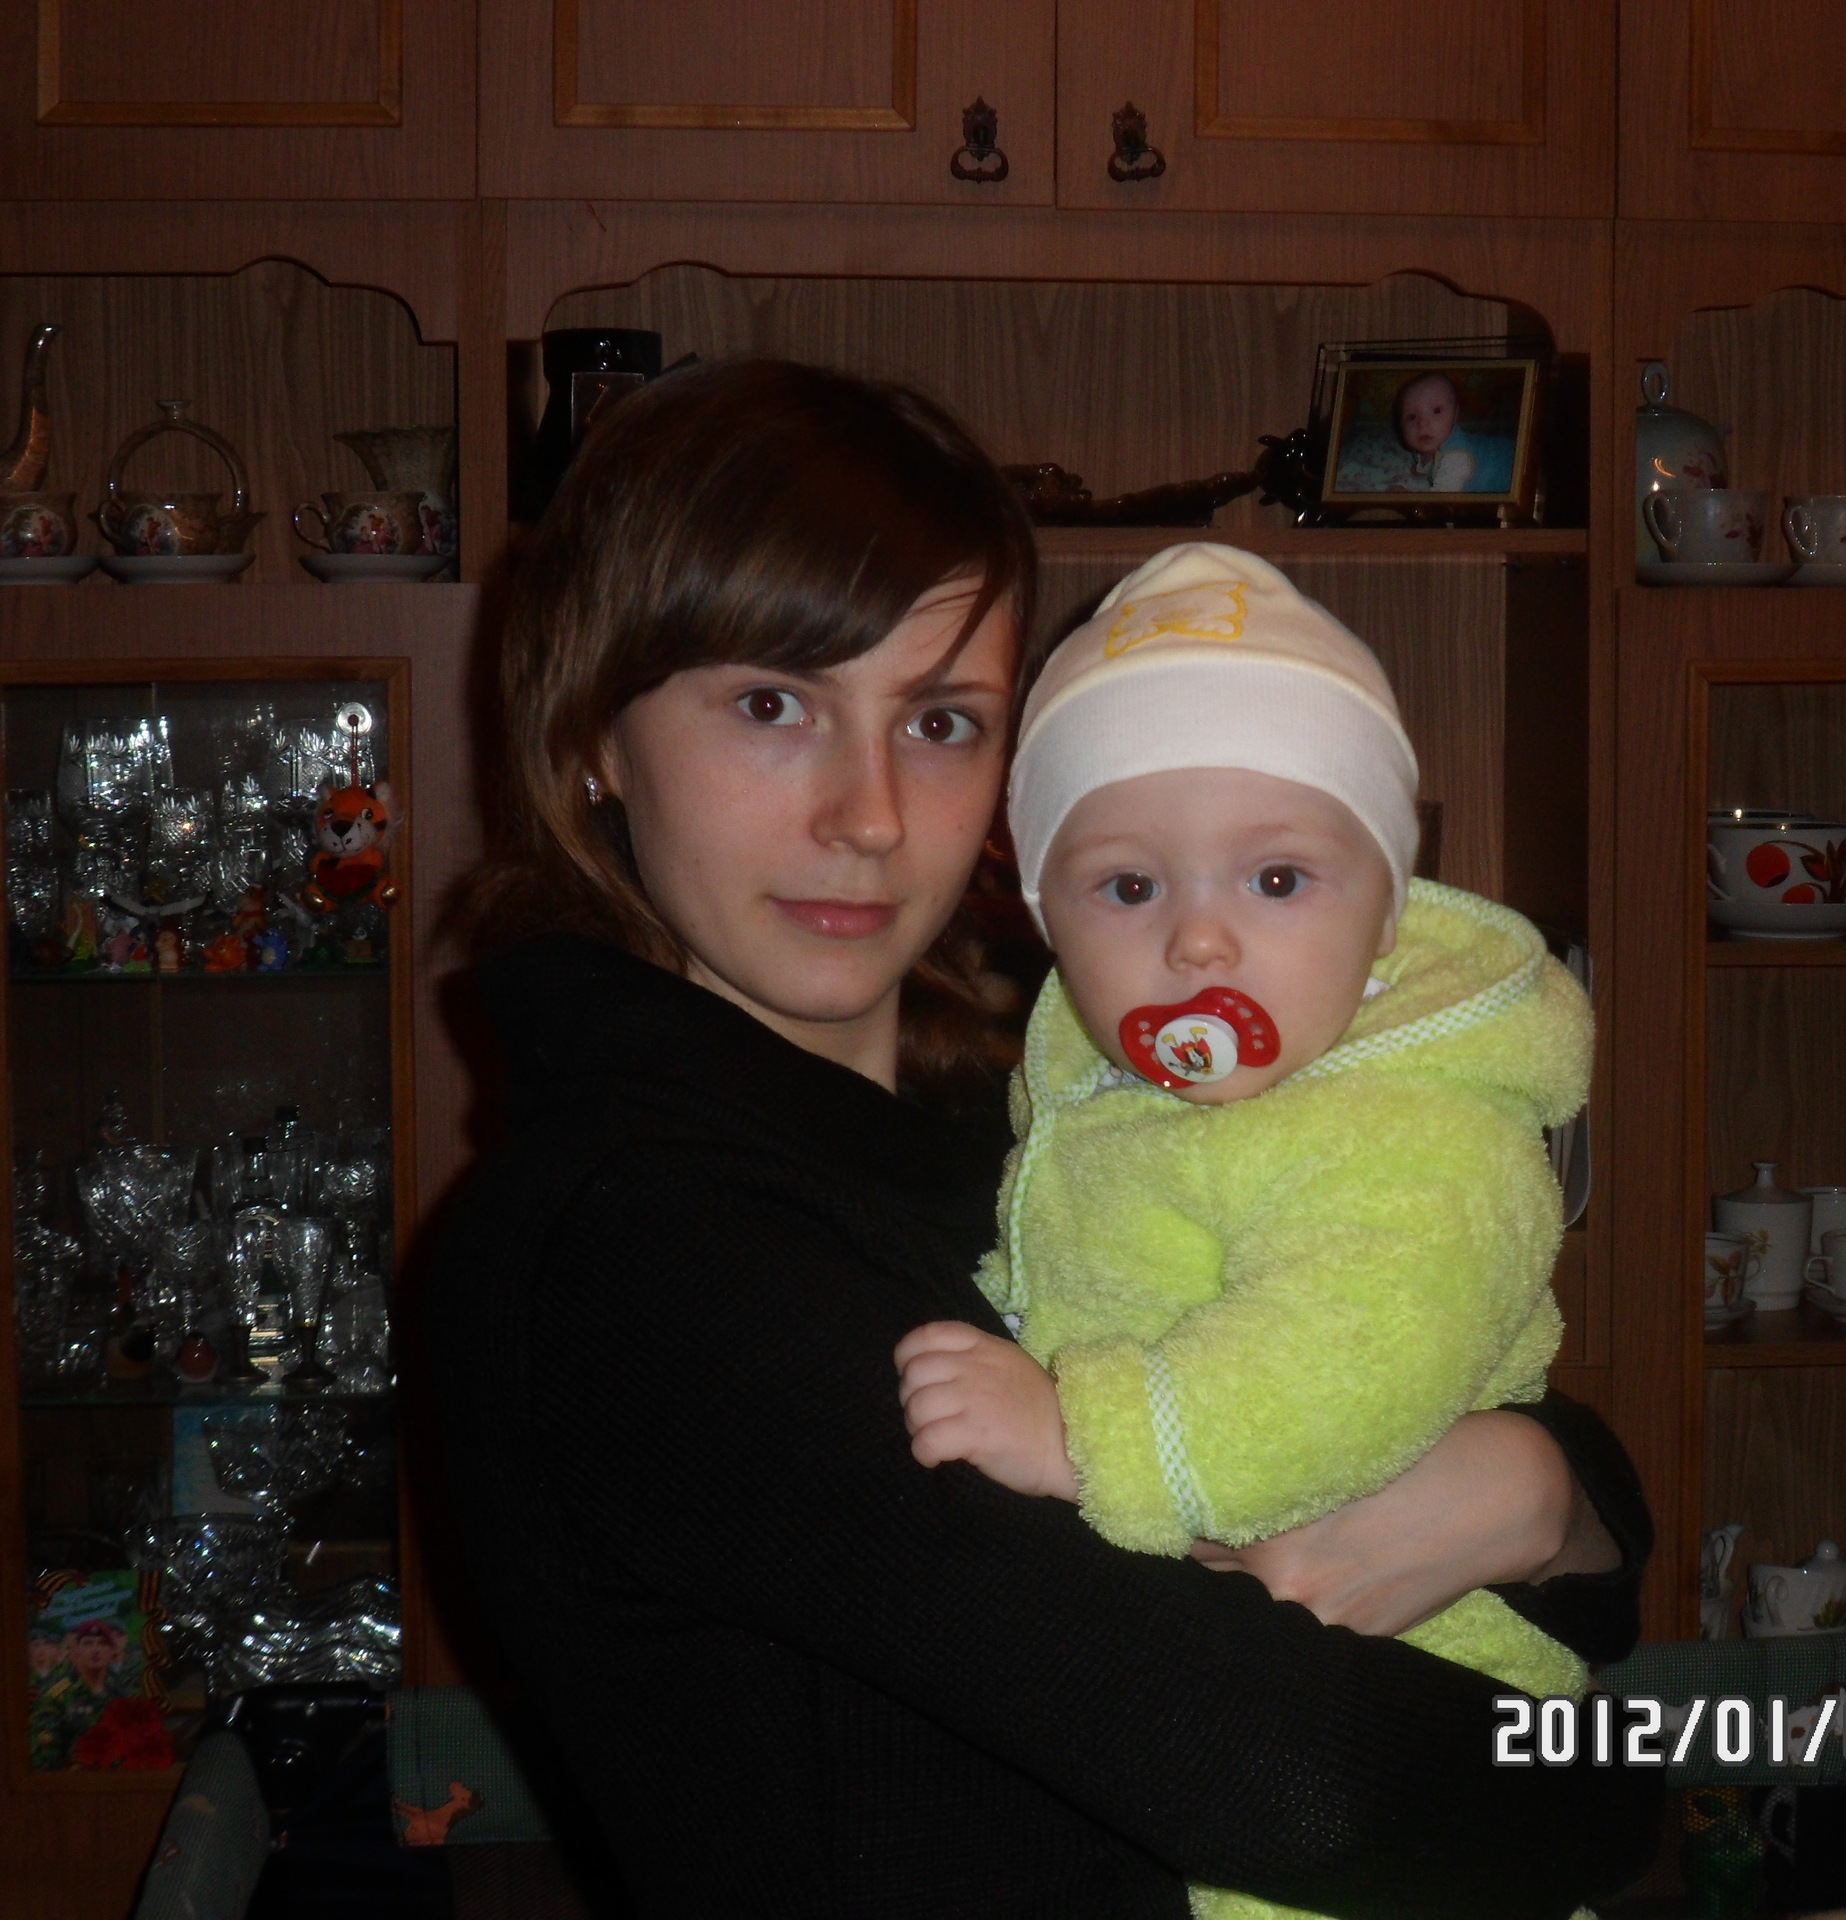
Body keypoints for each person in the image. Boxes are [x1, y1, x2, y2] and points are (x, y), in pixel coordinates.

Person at [432, 358, 1660, 1920]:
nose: (870, 813)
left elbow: (1529, 1484)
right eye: (772, 704)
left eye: (940, 721)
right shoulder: (636, 1248)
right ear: (596, 731)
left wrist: (1537, 1493)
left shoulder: (1034, 1130)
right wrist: (1625, 1782)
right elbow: (1304, 1787)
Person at [895, 542, 1595, 1920]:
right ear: (1044, 917)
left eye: (1277, 881)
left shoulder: (1416, 1130)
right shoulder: (1098, 1109)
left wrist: (1078, 1432)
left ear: (1386, 913)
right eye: (1129, 888)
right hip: (1203, 1720)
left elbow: (1350, 1356)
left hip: (1409, 1697)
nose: (1200, 945)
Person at [1386, 371, 1476, 492]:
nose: (1422, 423)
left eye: (1436, 411)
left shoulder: (1456, 457)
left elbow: (1440, 498)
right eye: (1412, 417)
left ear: (1455, 414)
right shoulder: (1427, 446)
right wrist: (1421, 470)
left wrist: (1408, 495)